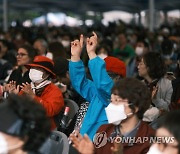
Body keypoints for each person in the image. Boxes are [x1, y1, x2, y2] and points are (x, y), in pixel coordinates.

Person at [70, 78, 155, 154]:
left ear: (135, 108)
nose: (111, 106)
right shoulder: (103, 130)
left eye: (117, 100)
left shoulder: (150, 140)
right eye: (111, 101)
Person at [69, 32, 114, 140]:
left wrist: (92, 53)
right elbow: (81, 84)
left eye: (108, 75)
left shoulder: (114, 95)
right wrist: (75, 57)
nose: (99, 77)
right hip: (84, 142)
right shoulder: (97, 93)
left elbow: (104, 85)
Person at [10, 56, 64, 130]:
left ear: (47, 74)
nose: (33, 71)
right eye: (32, 68)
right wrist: (14, 96)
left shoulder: (55, 91)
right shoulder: (28, 87)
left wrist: (33, 97)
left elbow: (50, 111)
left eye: (38, 69)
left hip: (44, 130)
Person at [138, 52, 173, 123]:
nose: (138, 67)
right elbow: (137, 111)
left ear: (149, 67)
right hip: (143, 124)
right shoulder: (139, 85)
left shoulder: (167, 84)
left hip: (162, 124)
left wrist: (156, 99)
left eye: (141, 64)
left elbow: (168, 109)